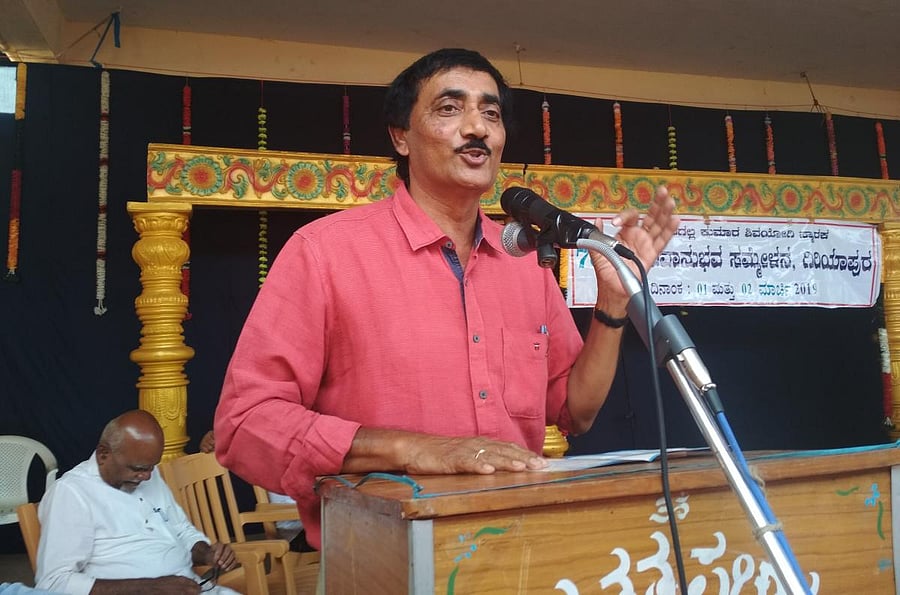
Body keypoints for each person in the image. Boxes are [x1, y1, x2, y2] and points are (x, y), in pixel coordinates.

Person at [214, 47, 679, 552]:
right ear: (401, 137)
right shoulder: (324, 253)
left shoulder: (527, 266)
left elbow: (575, 410)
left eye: (491, 113)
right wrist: (412, 449)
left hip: (519, 552)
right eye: (450, 108)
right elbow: (245, 424)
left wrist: (612, 302)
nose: (477, 127)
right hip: (379, 559)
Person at [36, 410, 239, 594]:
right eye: (138, 468)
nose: (147, 477)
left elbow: (181, 530)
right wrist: (151, 587)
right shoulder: (71, 493)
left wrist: (207, 554)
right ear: (103, 454)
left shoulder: (149, 475)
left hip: (192, 587)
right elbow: (54, 582)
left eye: (152, 467)